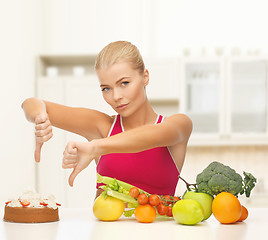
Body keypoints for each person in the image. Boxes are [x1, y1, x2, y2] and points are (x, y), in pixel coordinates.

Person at [21, 41, 192, 198]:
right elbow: (31, 103)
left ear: (145, 77)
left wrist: (95, 147)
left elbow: (153, 136)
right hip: (103, 232)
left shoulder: (179, 125)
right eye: (106, 88)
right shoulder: (102, 127)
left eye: (124, 83)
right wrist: (40, 117)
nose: (116, 96)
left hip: (160, 232)